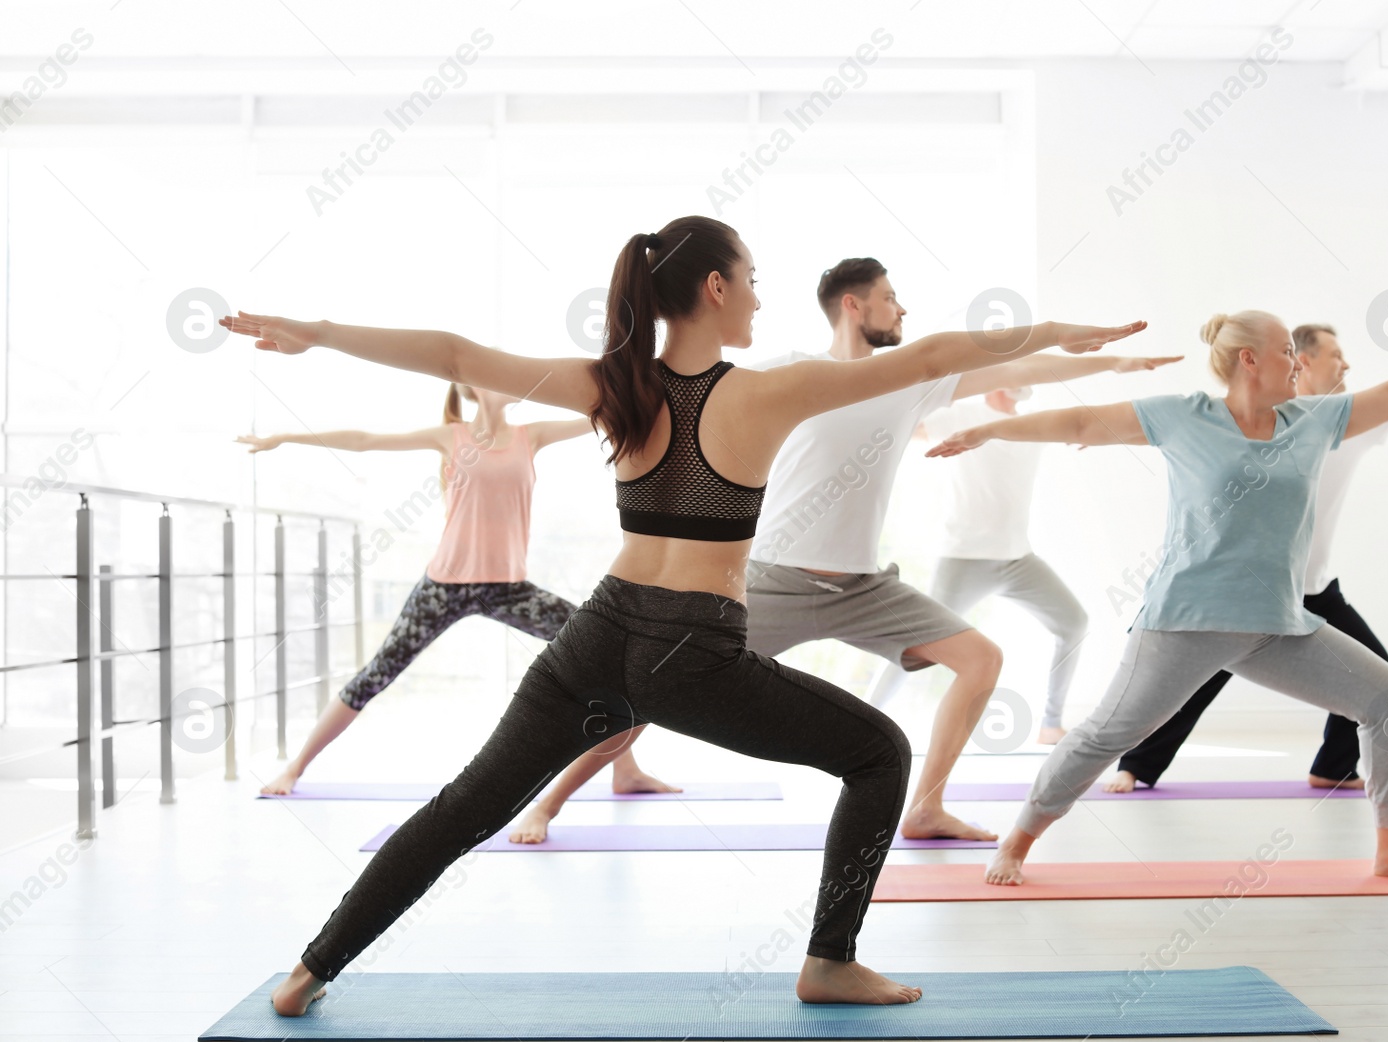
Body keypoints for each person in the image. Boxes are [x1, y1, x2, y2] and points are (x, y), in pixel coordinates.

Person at [220, 215, 1147, 1014]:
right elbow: (940, 355)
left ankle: (311, 970)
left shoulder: (614, 383)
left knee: (468, 803)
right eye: (751, 281)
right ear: (716, 285)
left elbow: (460, 356)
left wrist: (319, 331)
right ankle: (829, 961)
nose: (757, 298)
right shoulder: (765, 390)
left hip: (599, 633)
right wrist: (1069, 332)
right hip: (691, 647)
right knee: (878, 754)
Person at [506, 257, 1177, 846]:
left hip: (865, 589)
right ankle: (549, 800)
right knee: (657, 685)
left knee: (981, 659)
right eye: (890, 297)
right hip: (775, 580)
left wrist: (1112, 361)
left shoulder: (914, 378)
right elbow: (685, 398)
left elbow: (1016, 364)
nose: (902, 308)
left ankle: (928, 807)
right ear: (853, 306)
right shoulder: (787, 373)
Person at [925, 308, 1388, 886]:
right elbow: (1084, 422)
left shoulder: (1314, 422)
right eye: (1285, 351)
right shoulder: (1184, 416)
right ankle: (1020, 839)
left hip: (1276, 622)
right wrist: (990, 429)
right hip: (1185, 622)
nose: (1297, 363)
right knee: (1102, 737)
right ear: (1249, 359)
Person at [1103, 323, 1388, 793]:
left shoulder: (1353, 420)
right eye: (1336, 355)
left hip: (1312, 587)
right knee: (1197, 680)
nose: (1346, 365)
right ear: (1302, 362)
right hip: (1244, 590)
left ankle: (1333, 767)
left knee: (1374, 666)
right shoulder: (1259, 421)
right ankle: (1136, 766)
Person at [241, 386, 676, 799]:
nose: (511, 382)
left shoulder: (533, 435)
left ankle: (625, 770)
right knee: (375, 674)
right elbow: (364, 440)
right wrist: (285, 437)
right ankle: (295, 767)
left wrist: (657, 386)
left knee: (606, 651)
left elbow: (603, 413)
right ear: (471, 388)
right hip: (444, 587)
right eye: (495, 377)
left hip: (509, 589)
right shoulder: (453, 436)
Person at [864, 381, 1121, 746]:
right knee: (915, 642)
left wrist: (1097, 435)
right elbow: (905, 429)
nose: (1022, 383)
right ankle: (867, 721)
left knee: (1074, 623)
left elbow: (1080, 424)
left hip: (1018, 559)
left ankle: (1050, 724)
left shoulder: (1034, 424)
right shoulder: (961, 415)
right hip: (963, 560)